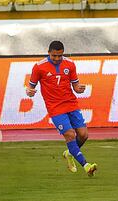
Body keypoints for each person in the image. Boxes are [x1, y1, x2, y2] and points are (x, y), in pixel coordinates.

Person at [26, 40, 97, 177]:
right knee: (70, 135)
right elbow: (31, 87)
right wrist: (29, 92)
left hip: (71, 104)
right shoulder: (39, 67)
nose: (57, 59)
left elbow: (75, 86)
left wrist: (79, 89)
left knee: (83, 135)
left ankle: (69, 153)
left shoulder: (70, 64)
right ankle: (87, 166)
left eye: (60, 56)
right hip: (55, 108)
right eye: (54, 56)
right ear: (48, 53)